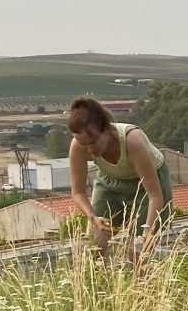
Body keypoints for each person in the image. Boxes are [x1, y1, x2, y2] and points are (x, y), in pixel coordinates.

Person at [65, 96, 171, 253]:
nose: (89, 150)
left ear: (106, 129)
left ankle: (142, 276)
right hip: (110, 181)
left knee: (137, 250)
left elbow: (155, 195)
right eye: (83, 144)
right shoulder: (78, 146)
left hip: (146, 187)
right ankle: (98, 277)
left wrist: (147, 232)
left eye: (93, 142)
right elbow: (78, 192)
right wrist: (94, 219)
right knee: (94, 246)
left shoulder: (132, 141)